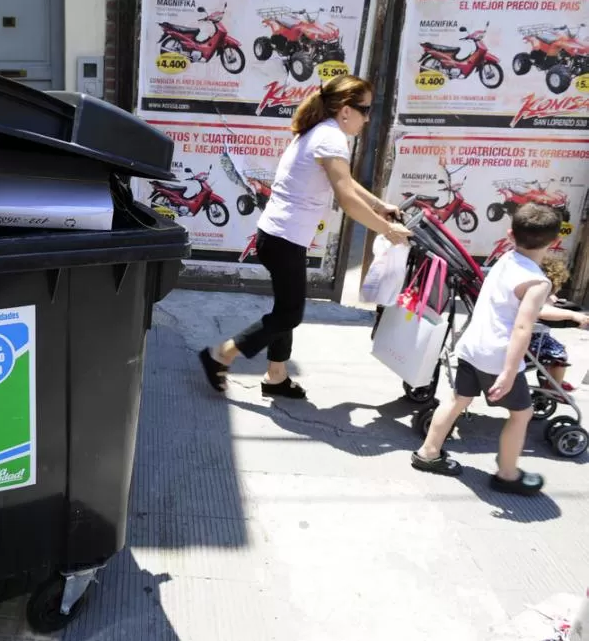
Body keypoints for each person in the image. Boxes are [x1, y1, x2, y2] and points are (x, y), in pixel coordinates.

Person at [197, 74, 411, 399]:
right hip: (283, 239)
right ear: (344, 110)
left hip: (279, 236)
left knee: (286, 306)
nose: (368, 118)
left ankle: (276, 377)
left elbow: (347, 182)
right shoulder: (330, 138)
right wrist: (387, 230)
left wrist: (380, 206)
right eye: (365, 110)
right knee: (290, 313)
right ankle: (221, 355)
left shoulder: (322, 132)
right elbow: (346, 197)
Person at [412, 203, 561, 495]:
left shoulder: (506, 258)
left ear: (510, 234)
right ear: (555, 243)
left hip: (472, 345)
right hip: (498, 357)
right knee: (521, 415)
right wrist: (508, 373)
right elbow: (522, 328)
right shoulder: (538, 282)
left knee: (457, 399)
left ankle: (428, 454)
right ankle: (507, 474)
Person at [530, 257, 589, 392]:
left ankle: (552, 379)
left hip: (533, 337)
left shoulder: (535, 293)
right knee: (559, 353)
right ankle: (555, 384)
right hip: (532, 340)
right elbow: (542, 311)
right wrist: (572, 315)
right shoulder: (539, 298)